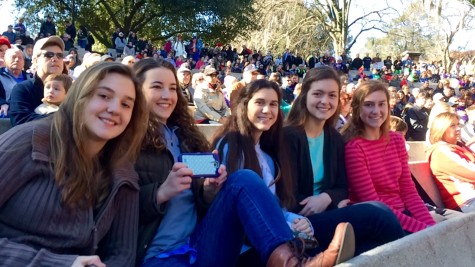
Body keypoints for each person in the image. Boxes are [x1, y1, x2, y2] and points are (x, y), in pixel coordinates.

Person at [133, 58, 352, 267]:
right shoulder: (130, 144)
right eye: (157, 87)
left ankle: (293, 258)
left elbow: (205, 202)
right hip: (161, 256)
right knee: (243, 179)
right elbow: (116, 208)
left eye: (172, 88)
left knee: (371, 215)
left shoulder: (186, 140)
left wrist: (210, 190)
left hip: (199, 245)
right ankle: (292, 259)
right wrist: (161, 192)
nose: (167, 95)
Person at [0, 62, 148, 266]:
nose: (115, 109)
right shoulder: (27, 142)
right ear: (79, 97)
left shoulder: (123, 172)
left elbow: (122, 253)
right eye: (104, 96)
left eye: (126, 104)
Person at [283, 67, 405, 253]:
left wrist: (327, 197)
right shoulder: (288, 137)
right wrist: (324, 202)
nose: (325, 101)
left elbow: (342, 187)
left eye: (332, 95)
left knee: (374, 245)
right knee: (378, 214)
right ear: (305, 95)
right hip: (300, 220)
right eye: (318, 94)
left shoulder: (334, 138)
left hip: (328, 214)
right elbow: (286, 193)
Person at [341, 80, 436, 234]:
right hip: (378, 221)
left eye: (381, 104)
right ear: (357, 108)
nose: (376, 110)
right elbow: (374, 203)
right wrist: (422, 230)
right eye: (369, 104)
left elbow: (409, 191)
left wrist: (431, 227)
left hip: (403, 213)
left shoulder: (397, 140)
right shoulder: (354, 148)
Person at [9, 36, 66, 126]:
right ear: (35, 61)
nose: (55, 58)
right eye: (49, 55)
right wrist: (64, 117)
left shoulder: (72, 90)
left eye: (60, 55)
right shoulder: (22, 90)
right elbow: (20, 122)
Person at [426, 112, 475, 212]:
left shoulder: (459, 146)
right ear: (441, 129)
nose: (458, 128)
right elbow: (472, 172)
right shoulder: (441, 151)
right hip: (465, 202)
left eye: (458, 124)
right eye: (452, 126)